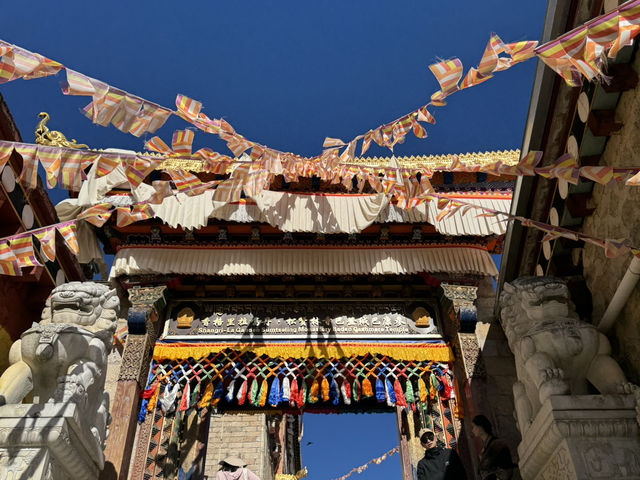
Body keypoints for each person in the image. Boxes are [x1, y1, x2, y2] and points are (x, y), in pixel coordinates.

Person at [471, 415, 515, 480]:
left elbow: (507, 468)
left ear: (480, 427)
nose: (472, 430)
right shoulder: (485, 448)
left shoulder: (497, 444)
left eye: (474, 427)